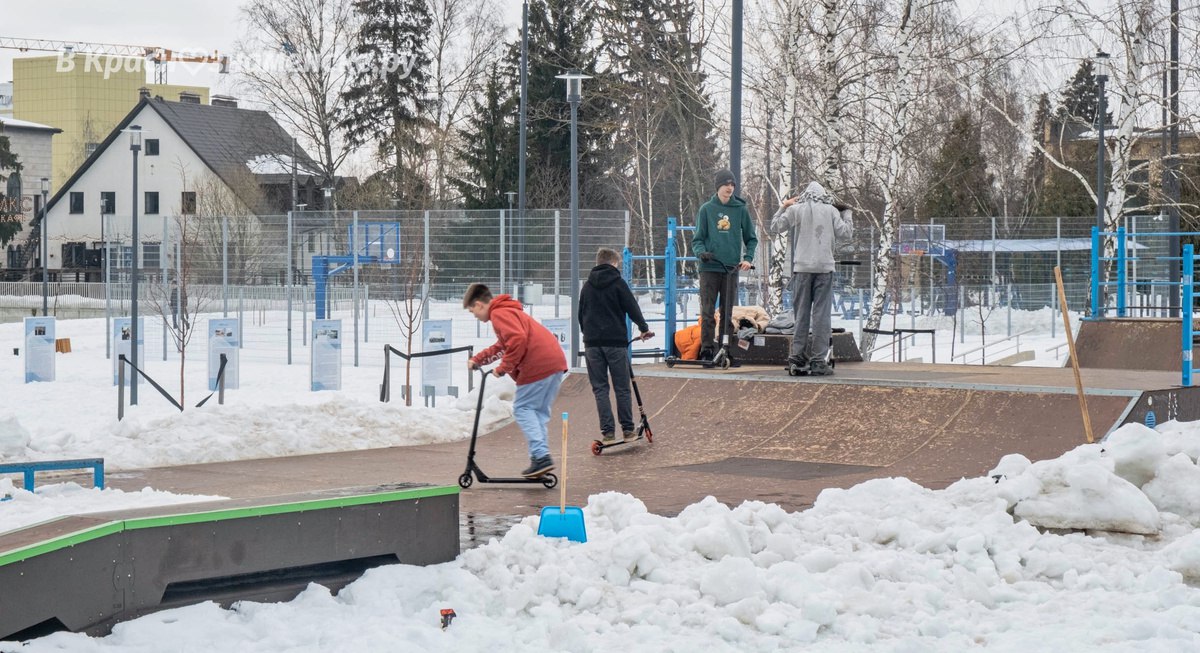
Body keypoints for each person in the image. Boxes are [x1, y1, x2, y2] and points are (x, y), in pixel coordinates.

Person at [463, 283, 567, 478]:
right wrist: (478, 359)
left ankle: (541, 456)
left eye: (472, 311)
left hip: (538, 365)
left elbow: (517, 340)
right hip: (554, 363)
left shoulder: (499, 314)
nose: (474, 316)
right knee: (537, 413)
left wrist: (503, 368)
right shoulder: (506, 311)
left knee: (523, 408)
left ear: (479, 304)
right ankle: (540, 459)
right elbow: (503, 345)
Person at [770, 181, 853, 375]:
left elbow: (775, 226)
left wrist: (784, 206)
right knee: (821, 317)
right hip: (824, 269)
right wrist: (847, 213)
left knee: (801, 315)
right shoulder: (831, 211)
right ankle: (818, 361)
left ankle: (797, 358)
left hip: (802, 269)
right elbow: (846, 233)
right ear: (823, 194)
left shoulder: (797, 209)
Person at [578, 247, 653, 446]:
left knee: (600, 389)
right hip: (615, 343)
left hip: (592, 345)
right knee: (621, 387)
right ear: (613, 263)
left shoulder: (586, 287)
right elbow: (632, 308)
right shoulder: (618, 283)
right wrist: (644, 328)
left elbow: (580, 315)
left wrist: (589, 336)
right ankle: (627, 430)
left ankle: (608, 433)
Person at [692, 168, 757, 362]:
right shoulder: (706, 209)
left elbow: (751, 239)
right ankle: (707, 349)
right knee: (708, 312)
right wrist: (701, 253)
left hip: (730, 269)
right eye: (726, 184)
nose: (729, 188)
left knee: (728, 313)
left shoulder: (740, 209)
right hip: (710, 268)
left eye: (732, 185)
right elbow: (697, 239)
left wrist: (748, 258)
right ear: (718, 187)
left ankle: (725, 349)